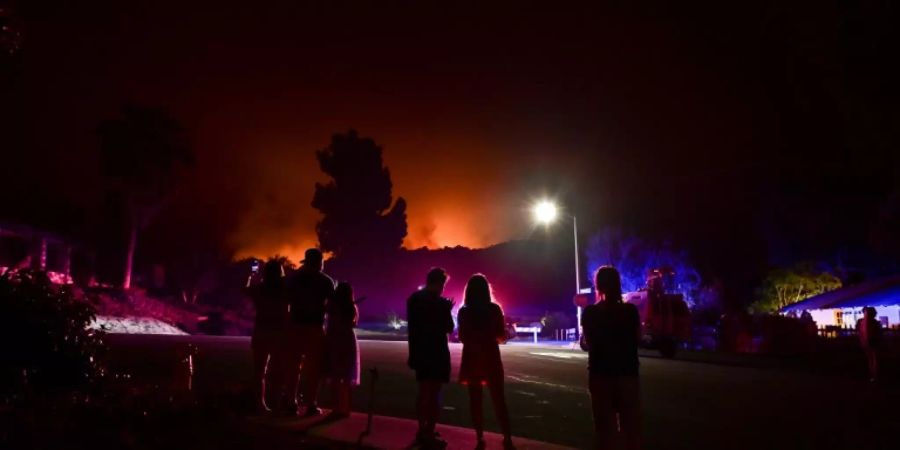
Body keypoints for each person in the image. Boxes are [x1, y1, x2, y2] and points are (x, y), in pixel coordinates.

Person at [581, 266, 641, 450]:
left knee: (604, 431)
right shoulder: (630, 311)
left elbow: (589, 343)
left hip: (601, 375)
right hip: (627, 373)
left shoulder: (591, 313)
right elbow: (636, 339)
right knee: (630, 430)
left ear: (598, 286)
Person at [458, 274, 514, 450]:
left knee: (475, 400)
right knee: (499, 399)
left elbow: (462, 337)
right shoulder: (494, 309)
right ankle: (507, 438)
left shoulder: (464, 311)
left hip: (472, 358)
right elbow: (501, 336)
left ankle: (480, 437)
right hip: (491, 357)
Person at [282, 248, 335, 416]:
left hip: (295, 325)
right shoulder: (326, 281)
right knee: (314, 368)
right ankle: (311, 403)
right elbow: (331, 306)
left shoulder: (294, 279)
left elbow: (286, 299)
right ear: (320, 263)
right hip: (314, 327)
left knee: (293, 366)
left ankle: (291, 401)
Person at [407, 267, 454, 447]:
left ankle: (422, 428)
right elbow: (448, 328)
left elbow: (413, 328)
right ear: (440, 283)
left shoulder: (413, 299)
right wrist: (448, 309)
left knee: (422, 391)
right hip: (437, 352)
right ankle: (429, 432)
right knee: (435, 393)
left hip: (419, 351)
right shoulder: (441, 303)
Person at [244, 259, 289, 413]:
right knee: (279, 369)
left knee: (259, 370)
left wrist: (249, 276)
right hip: (280, 332)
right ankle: (277, 402)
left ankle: (260, 403)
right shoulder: (285, 288)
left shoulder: (260, 289)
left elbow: (245, 290)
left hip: (262, 331)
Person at [324, 281, 360, 418]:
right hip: (347, 340)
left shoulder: (333, 307)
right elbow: (352, 323)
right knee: (345, 375)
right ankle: (344, 407)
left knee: (336, 375)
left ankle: (337, 407)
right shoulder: (351, 307)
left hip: (335, 340)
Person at [856, 306, 884, 382]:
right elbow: (879, 333)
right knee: (874, 359)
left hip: (866, 342)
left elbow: (860, 332)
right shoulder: (874, 322)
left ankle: (872, 375)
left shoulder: (862, 322)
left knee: (871, 359)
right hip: (873, 342)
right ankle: (875, 375)